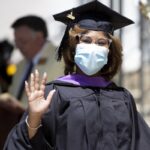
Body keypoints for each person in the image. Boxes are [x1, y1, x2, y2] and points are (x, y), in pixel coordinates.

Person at [3, 1, 150, 150]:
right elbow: (20, 145)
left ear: (110, 50)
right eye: (86, 40)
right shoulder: (53, 95)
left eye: (101, 42)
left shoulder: (122, 98)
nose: (93, 48)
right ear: (73, 47)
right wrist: (33, 120)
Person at [8, 15, 64, 105]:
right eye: (16, 42)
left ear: (39, 38)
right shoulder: (20, 65)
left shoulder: (61, 58)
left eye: (22, 41)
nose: (18, 47)